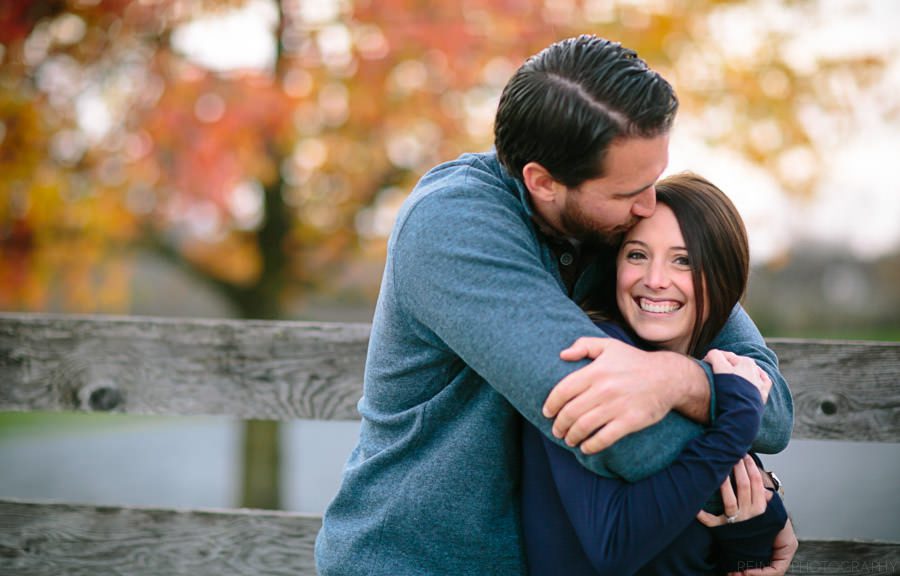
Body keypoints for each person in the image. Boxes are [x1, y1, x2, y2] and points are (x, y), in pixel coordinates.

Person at [315, 35, 794, 576]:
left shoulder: (624, 231)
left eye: (654, 180)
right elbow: (624, 439)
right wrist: (760, 508)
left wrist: (678, 380)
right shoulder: (450, 229)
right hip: (410, 561)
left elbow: (773, 409)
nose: (649, 206)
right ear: (542, 181)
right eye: (628, 191)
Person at [522, 173, 796, 575]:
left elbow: (733, 557)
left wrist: (750, 536)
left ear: (724, 278)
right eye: (636, 254)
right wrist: (736, 425)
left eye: (683, 260)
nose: (654, 280)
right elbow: (614, 546)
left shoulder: (715, 362)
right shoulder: (585, 356)